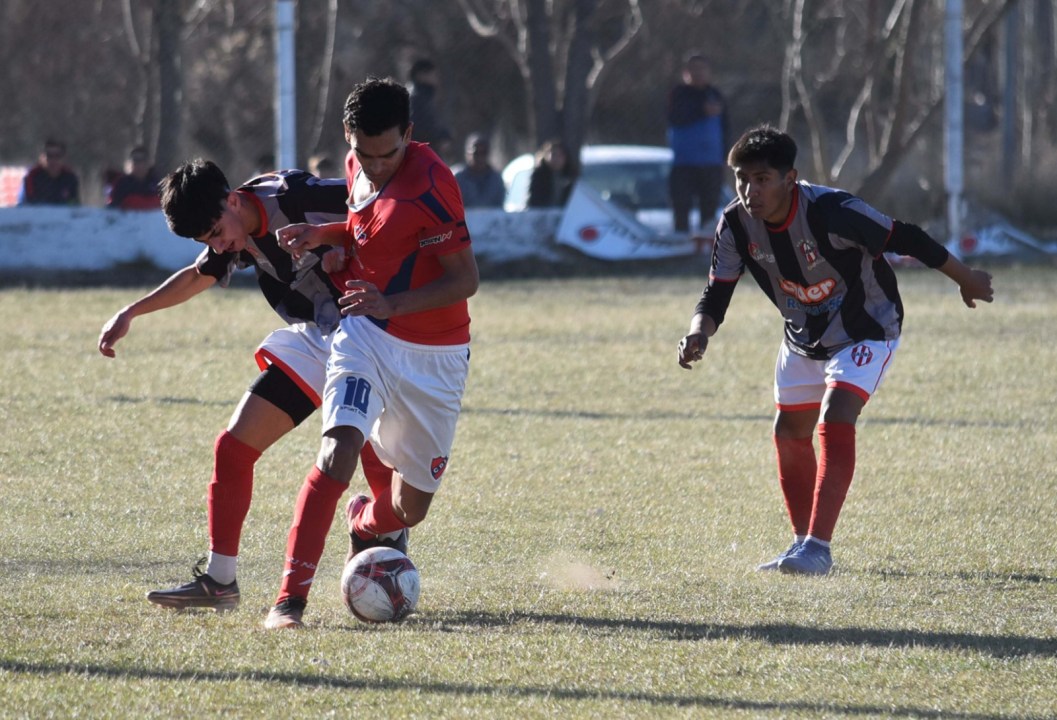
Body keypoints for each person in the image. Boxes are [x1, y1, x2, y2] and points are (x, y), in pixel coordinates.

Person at [676, 124, 994, 576]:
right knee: (789, 432)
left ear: (790, 178)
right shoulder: (734, 224)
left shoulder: (833, 211)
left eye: (762, 179)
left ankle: (818, 548)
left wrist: (966, 278)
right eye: (742, 179)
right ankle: (800, 544)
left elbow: (906, 237)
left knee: (837, 414)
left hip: (867, 327)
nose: (750, 190)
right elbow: (717, 293)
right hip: (803, 335)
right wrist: (698, 332)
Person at [98, 158, 376, 611]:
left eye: (215, 233)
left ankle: (376, 528)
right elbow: (199, 275)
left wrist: (342, 243)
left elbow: (379, 212)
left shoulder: (297, 197)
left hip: (371, 335)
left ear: (233, 200)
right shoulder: (232, 228)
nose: (218, 245)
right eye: (206, 240)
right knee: (233, 448)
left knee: (383, 469)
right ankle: (220, 581)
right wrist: (131, 312)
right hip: (319, 336)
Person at [268, 76, 479, 629]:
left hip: (435, 355)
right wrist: (326, 237)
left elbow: (465, 280)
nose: (377, 165)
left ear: (409, 134)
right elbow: (371, 229)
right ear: (349, 136)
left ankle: (364, 521)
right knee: (337, 451)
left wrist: (393, 302)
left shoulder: (433, 185)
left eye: (389, 154)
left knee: (410, 510)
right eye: (366, 153)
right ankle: (289, 602)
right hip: (365, 333)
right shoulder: (355, 163)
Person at [667, 54, 727, 235]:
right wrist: (701, 110)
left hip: (711, 164)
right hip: (684, 164)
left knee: (709, 210)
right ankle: (681, 241)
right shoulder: (679, 94)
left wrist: (726, 156)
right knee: (681, 207)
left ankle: (708, 245)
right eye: (694, 69)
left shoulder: (715, 95)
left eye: (702, 69)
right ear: (685, 72)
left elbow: (726, 128)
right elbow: (675, 117)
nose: (698, 73)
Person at [407, 58, 453, 161]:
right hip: (421, 155)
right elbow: (420, 127)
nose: (437, 78)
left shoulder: (425, 96)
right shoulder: (416, 98)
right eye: (433, 74)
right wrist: (441, 136)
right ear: (421, 75)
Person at [18, 138, 80, 206]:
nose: (53, 160)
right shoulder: (31, 177)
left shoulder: (70, 178)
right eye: (49, 156)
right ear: (41, 158)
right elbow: (24, 205)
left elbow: (74, 205)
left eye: (57, 156)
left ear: (64, 158)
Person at [452, 133, 506, 208]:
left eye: (484, 152)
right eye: (476, 153)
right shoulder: (457, 178)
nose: (480, 157)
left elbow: (499, 207)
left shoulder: (496, 179)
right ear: (467, 153)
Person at [106, 146, 161, 210]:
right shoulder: (122, 184)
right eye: (135, 162)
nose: (139, 166)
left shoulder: (157, 184)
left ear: (148, 164)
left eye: (142, 162)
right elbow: (113, 209)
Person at [527, 139, 577, 208]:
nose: (556, 159)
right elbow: (534, 200)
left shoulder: (571, 176)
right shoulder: (539, 176)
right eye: (554, 155)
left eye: (560, 155)